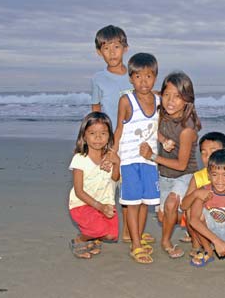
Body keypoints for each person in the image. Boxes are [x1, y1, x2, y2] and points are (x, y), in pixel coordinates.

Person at [90, 24, 154, 245]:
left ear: (125, 48)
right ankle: (97, 231)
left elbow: (149, 99)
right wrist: (96, 141)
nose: (112, 53)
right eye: (106, 49)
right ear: (99, 52)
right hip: (109, 142)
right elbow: (96, 110)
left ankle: (130, 232)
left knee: (131, 190)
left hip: (133, 142)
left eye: (116, 47)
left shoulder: (135, 75)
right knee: (106, 186)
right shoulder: (98, 79)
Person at [139, 71, 201, 259]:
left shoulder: (187, 129)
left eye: (177, 97)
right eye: (167, 95)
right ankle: (188, 222)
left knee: (172, 204)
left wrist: (152, 157)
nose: (170, 101)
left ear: (187, 100)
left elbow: (182, 165)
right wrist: (163, 139)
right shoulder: (162, 112)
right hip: (164, 174)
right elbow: (146, 93)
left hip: (185, 174)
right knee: (163, 216)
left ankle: (166, 241)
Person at [113, 53, 161, 264]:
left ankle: (138, 235)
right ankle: (135, 244)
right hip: (130, 161)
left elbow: (158, 128)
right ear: (131, 78)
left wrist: (166, 141)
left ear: (155, 77)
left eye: (149, 76)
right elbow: (119, 129)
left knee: (145, 203)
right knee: (132, 203)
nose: (144, 81)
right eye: (138, 76)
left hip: (150, 161)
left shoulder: (159, 100)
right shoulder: (126, 100)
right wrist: (113, 155)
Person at [68, 112, 120, 259]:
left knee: (111, 235)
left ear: (109, 135)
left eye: (103, 133)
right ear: (84, 136)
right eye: (92, 133)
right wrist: (100, 207)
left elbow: (115, 178)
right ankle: (80, 240)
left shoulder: (109, 156)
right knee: (98, 229)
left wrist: (117, 162)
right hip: (82, 204)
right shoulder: (80, 159)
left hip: (105, 201)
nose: (98, 137)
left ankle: (93, 238)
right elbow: (79, 192)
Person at [180, 132, 225, 256]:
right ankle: (197, 244)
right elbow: (184, 206)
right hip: (204, 225)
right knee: (191, 209)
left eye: (213, 152)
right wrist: (196, 193)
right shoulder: (197, 177)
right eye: (203, 153)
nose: (208, 157)